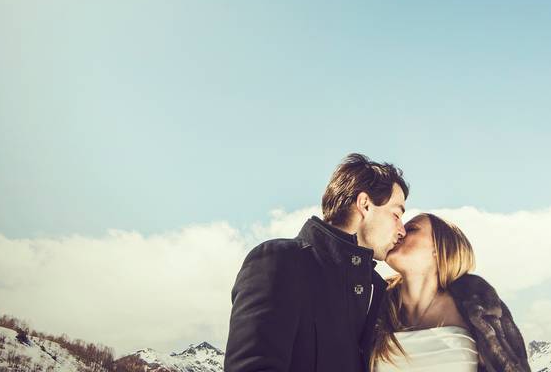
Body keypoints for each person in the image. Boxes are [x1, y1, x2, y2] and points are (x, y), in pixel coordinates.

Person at [224, 153, 409, 372]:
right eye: (396, 215)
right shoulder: (280, 261)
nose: (402, 230)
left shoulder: (379, 290)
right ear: (365, 204)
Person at [371, 213, 529, 372]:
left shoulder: (479, 304)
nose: (400, 232)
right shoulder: (372, 304)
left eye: (411, 229)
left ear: (440, 247)